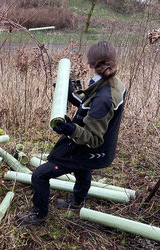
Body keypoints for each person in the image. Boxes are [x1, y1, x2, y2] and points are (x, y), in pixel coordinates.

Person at [17, 40, 126, 225]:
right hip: (97, 151)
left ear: (89, 64)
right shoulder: (113, 83)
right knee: (83, 168)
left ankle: (39, 214)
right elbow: (89, 105)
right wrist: (70, 94)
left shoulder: (104, 98)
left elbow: (93, 139)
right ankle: (77, 202)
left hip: (90, 148)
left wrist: (70, 129)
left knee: (40, 175)